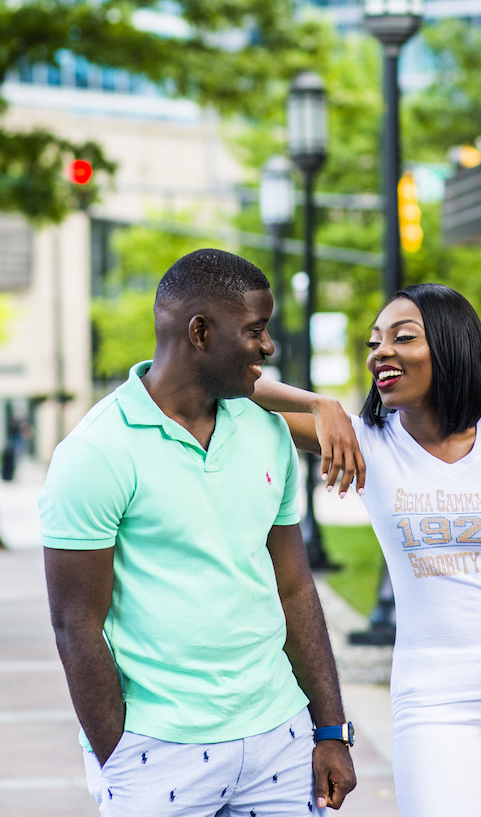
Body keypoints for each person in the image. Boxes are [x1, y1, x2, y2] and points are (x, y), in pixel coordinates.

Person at [252, 282, 481, 817]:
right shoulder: (364, 441)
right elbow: (228, 384)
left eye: (403, 337)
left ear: (450, 345)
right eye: (375, 342)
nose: (381, 352)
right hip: (431, 689)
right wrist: (319, 403)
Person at [38, 248, 358, 817]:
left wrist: (329, 727)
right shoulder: (96, 452)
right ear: (201, 332)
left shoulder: (268, 433)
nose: (268, 347)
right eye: (256, 330)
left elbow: (295, 589)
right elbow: (75, 625)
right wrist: (121, 754)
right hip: (157, 752)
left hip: (279, 741)